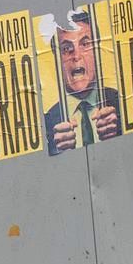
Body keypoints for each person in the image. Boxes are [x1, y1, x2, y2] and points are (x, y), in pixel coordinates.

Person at [42, 11, 122, 156]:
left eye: (85, 44)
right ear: (56, 57)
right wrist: (55, 150)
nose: (76, 56)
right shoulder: (47, 124)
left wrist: (120, 131)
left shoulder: (123, 104)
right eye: (66, 48)